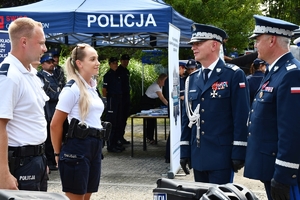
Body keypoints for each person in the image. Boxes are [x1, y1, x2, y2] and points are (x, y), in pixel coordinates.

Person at [180, 23, 249, 184]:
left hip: (221, 156)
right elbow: (187, 119)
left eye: (198, 43)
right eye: (193, 44)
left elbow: (241, 116)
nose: (193, 48)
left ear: (214, 45)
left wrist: (239, 151)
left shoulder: (233, 75)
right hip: (198, 155)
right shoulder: (192, 78)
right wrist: (184, 151)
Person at [243, 15, 300, 200]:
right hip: (271, 166)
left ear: (272, 40)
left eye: (258, 40)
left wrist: (284, 174)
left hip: (283, 171)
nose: (255, 45)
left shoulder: (291, 74)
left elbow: (292, 129)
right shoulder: (275, 71)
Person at [50, 43, 104, 200]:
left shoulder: (91, 87)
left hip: (94, 145)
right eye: (93, 59)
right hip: (78, 146)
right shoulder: (72, 89)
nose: (97, 62)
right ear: (79, 63)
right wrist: (57, 153)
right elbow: (55, 124)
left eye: (97, 59)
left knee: (87, 196)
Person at [0, 17, 48, 190]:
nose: (45, 48)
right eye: (41, 43)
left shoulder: (30, 73)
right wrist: (3, 173)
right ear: (24, 42)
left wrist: (41, 160)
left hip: (36, 159)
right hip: (20, 162)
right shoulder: (9, 76)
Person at [37, 53, 65, 171]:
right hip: (49, 111)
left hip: (57, 110)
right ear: (42, 64)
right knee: (49, 139)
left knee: (59, 136)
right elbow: (47, 95)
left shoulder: (55, 75)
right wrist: (61, 95)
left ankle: (55, 158)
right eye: (48, 62)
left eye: (52, 62)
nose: (51, 64)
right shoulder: (41, 77)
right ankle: (50, 160)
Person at [102, 57, 124, 153]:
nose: (115, 64)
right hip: (112, 100)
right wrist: (107, 100)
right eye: (113, 63)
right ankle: (110, 145)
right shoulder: (108, 75)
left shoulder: (117, 74)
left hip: (118, 99)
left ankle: (115, 143)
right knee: (111, 123)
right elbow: (104, 90)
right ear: (110, 64)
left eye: (116, 63)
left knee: (117, 122)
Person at [141, 73, 168, 144]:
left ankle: (150, 137)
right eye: (165, 80)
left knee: (152, 121)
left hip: (152, 102)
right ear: (160, 80)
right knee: (150, 121)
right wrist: (169, 105)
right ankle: (149, 138)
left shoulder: (160, 86)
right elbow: (162, 98)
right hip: (146, 103)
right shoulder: (155, 86)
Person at [117, 54, 131, 145]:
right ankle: (118, 137)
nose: (126, 62)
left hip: (126, 97)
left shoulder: (126, 71)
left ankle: (121, 137)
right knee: (119, 119)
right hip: (120, 98)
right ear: (121, 61)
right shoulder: (118, 71)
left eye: (127, 60)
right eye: (124, 60)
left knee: (124, 118)